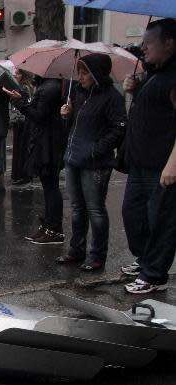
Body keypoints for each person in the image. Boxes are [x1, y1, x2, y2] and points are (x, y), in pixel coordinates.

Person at [54, 54, 126, 272]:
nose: (81, 76)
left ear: (96, 74)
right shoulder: (78, 93)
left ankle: (97, 255)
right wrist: (66, 115)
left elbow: (120, 128)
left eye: (85, 72)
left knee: (95, 209)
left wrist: (97, 149)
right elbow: (75, 126)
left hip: (96, 163)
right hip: (74, 158)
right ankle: (76, 250)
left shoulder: (112, 97)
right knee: (77, 208)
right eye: (80, 71)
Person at [120, 18, 176, 293]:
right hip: (140, 162)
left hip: (162, 165)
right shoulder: (153, 73)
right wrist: (135, 89)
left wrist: (172, 164)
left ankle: (154, 275)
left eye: (149, 43)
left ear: (169, 43)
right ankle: (144, 260)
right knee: (133, 215)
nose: (144, 48)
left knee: (161, 222)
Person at [5, 74, 66, 244]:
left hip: (48, 143)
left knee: (51, 186)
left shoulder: (50, 87)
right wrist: (23, 99)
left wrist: (20, 103)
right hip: (45, 141)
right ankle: (49, 225)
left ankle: (54, 228)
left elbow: (38, 115)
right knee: (48, 186)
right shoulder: (47, 86)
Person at [10, 69, 34, 186]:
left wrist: (16, 98)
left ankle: (23, 174)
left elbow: (25, 103)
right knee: (20, 148)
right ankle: (21, 174)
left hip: (22, 121)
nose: (16, 75)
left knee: (22, 148)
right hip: (20, 121)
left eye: (18, 73)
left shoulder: (25, 87)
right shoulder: (23, 86)